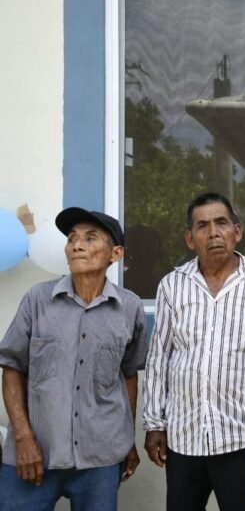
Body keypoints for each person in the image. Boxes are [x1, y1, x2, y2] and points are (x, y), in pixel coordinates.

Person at [0, 207, 147, 511]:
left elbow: (128, 374)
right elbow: (12, 367)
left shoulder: (130, 308)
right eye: (72, 239)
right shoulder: (37, 300)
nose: (77, 245)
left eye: (90, 238)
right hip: (36, 453)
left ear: (115, 253)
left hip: (102, 456)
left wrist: (128, 440)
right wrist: (24, 439)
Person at [142, 192, 245, 511]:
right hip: (184, 437)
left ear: (237, 231)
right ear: (190, 238)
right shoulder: (172, 285)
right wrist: (154, 424)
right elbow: (160, 357)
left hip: (242, 438)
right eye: (203, 226)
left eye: (221, 223)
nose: (213, 232)